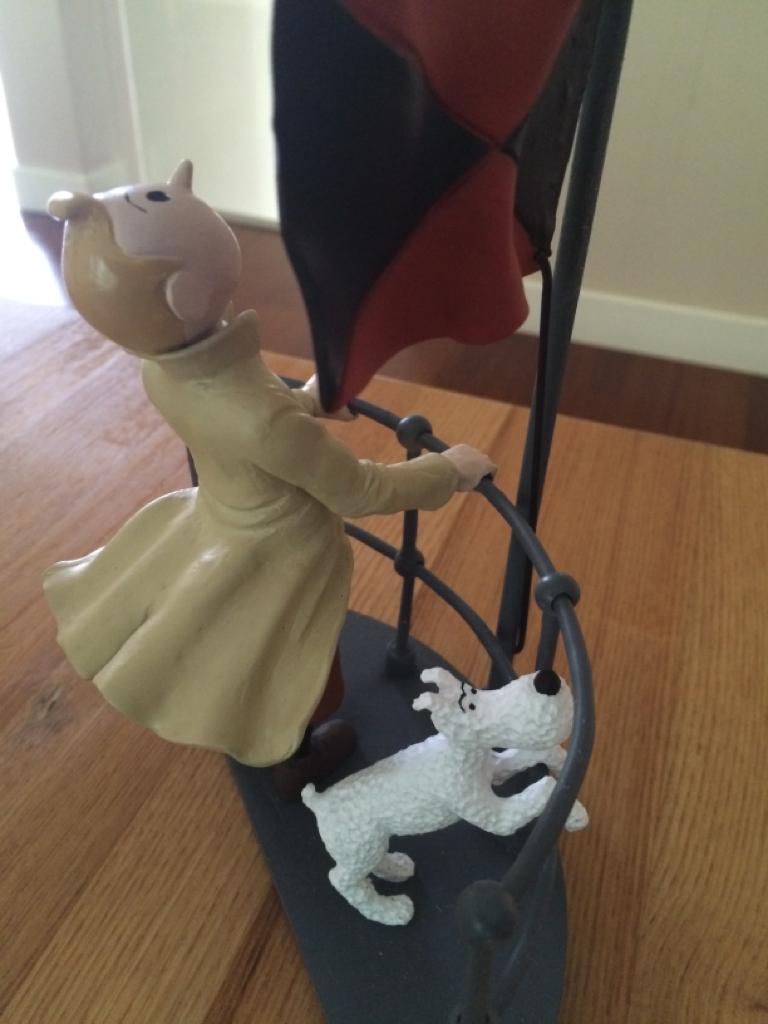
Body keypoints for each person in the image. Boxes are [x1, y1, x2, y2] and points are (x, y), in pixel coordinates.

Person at [44, 161, 496, 799]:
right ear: (186, 297)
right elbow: (359, 490)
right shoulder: (259, 418)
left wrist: (303, 403)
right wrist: (447, 471)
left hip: (217, 520)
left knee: (230, 644)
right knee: (297, 664)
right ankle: (296, 754)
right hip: (280, 552)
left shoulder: (162, 374)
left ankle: (246, 722)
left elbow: (245, 421)